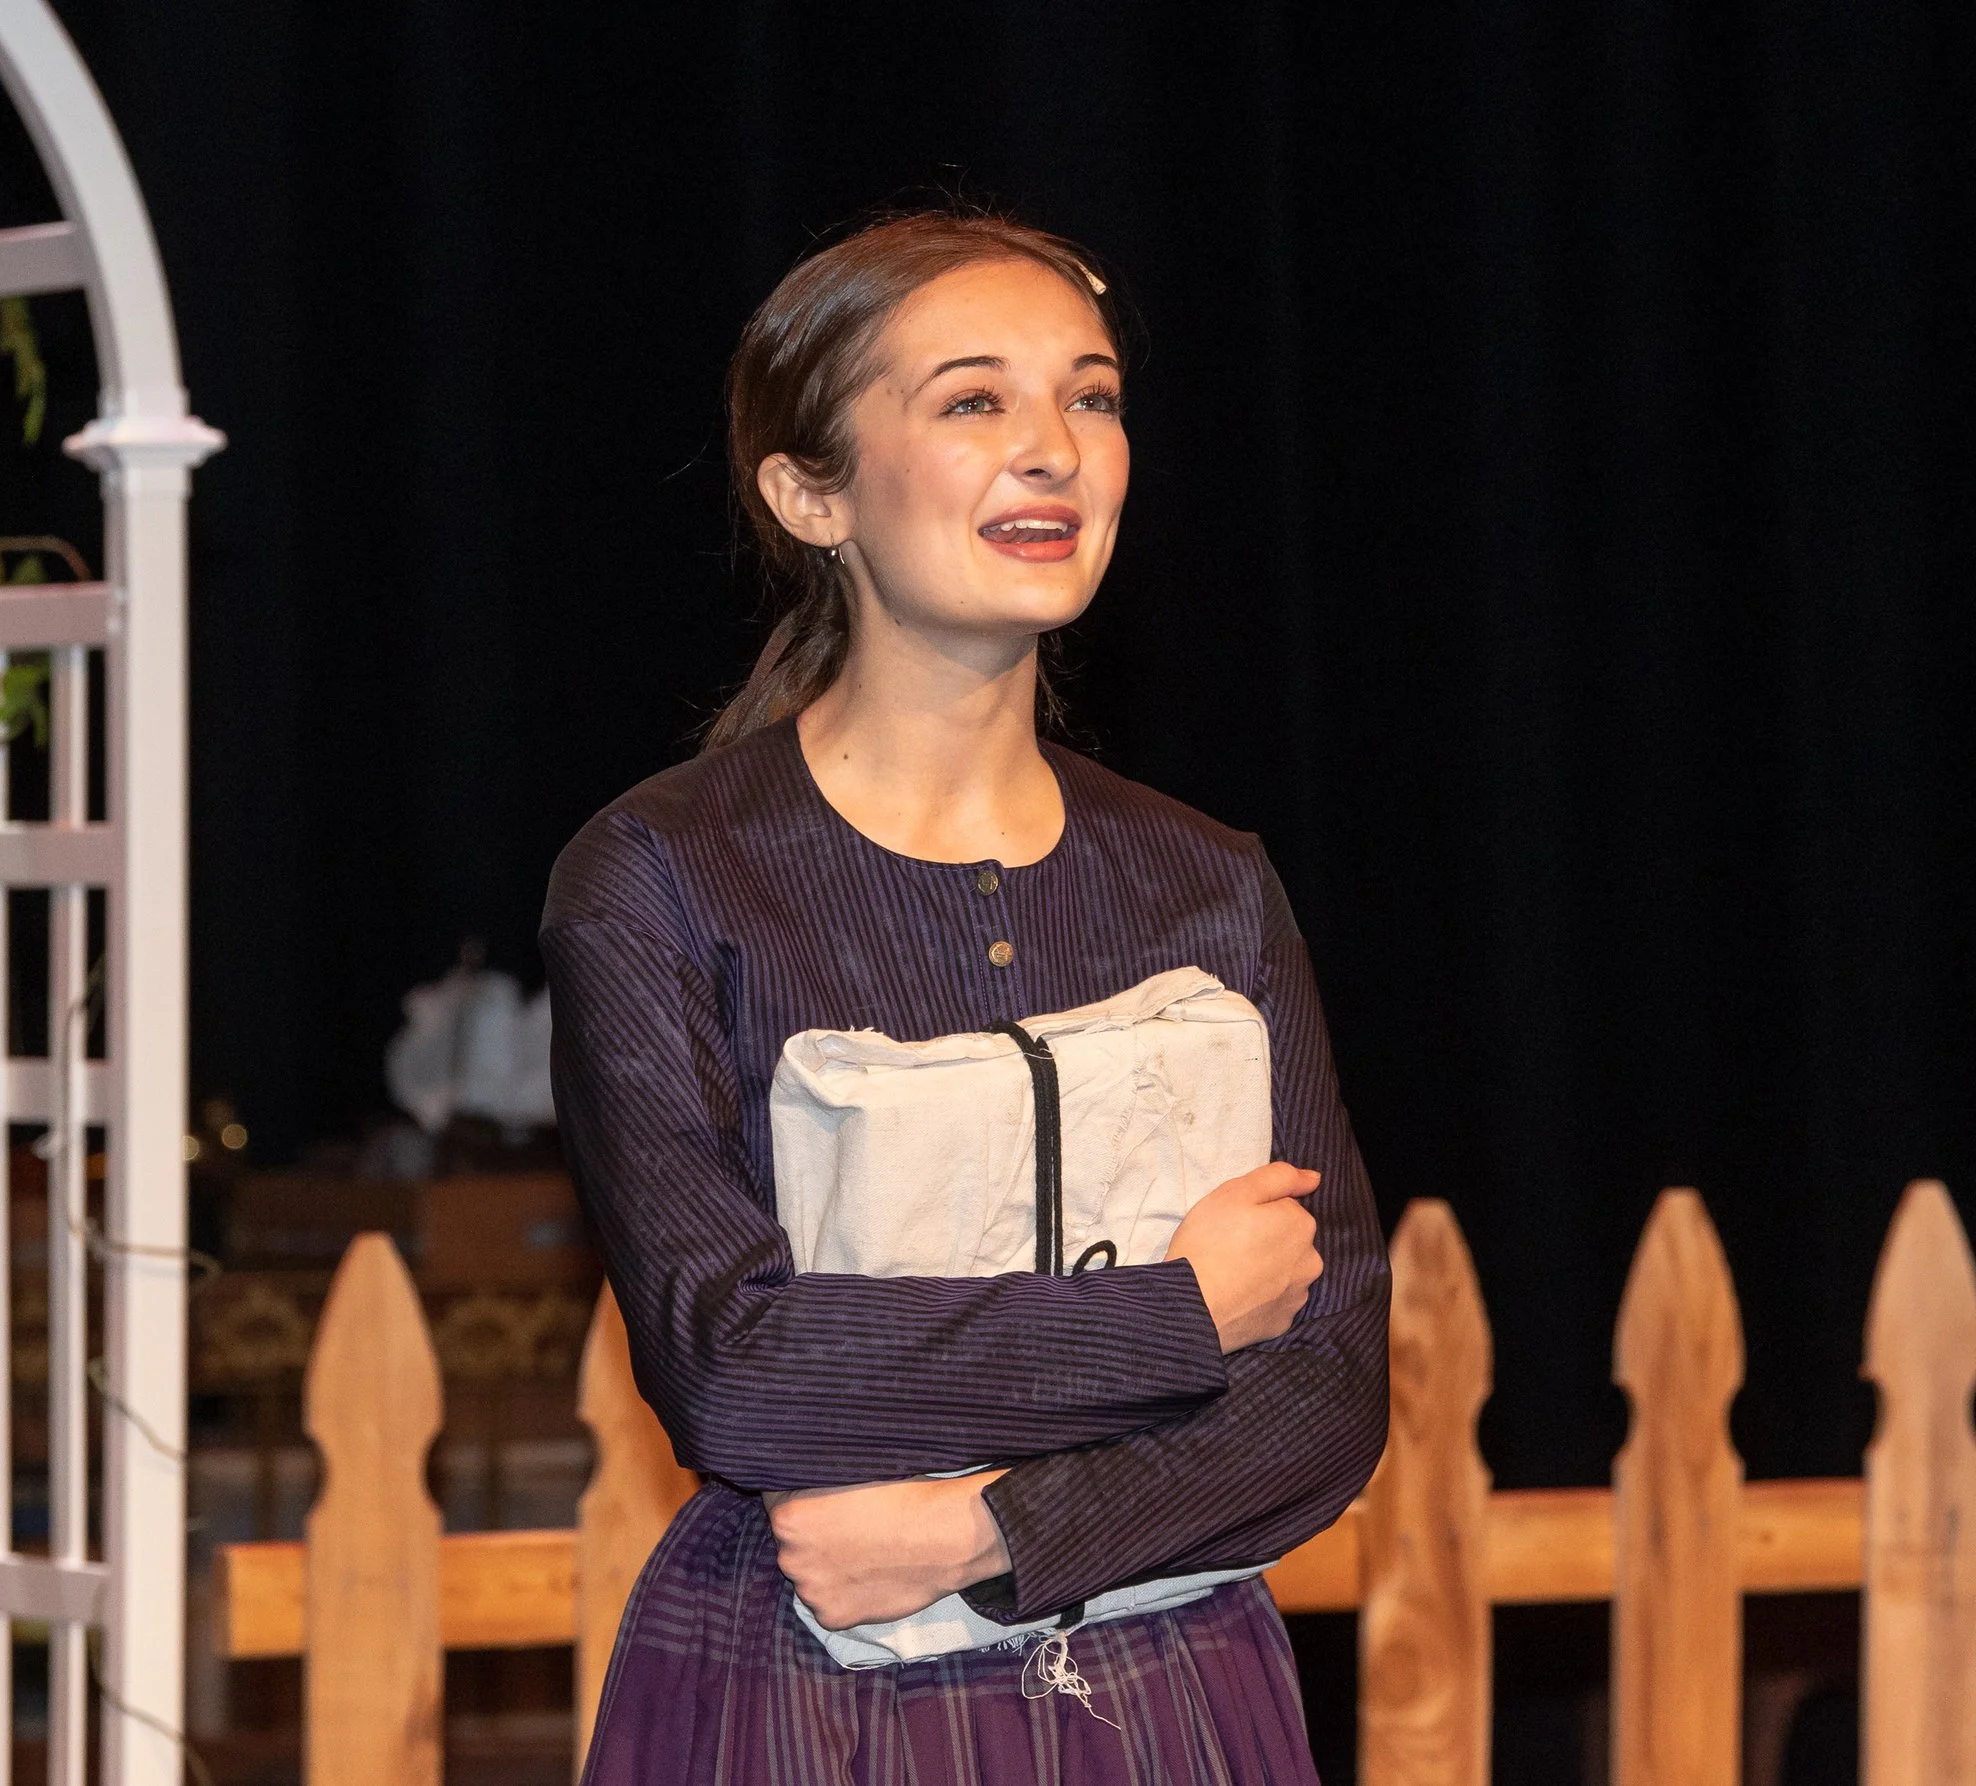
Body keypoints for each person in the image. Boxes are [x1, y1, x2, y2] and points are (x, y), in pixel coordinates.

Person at [542, 209, 1388, 1786]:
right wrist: (1179, 1311)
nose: (1054, 448)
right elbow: (735, 1363)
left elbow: (1329, 1386)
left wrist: (986, 1532)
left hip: (1171, 1683)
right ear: (810, 490)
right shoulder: (664, 873)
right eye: (974, 400)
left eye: (1093, 395)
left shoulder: (1206, 880)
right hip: (807, 1695)